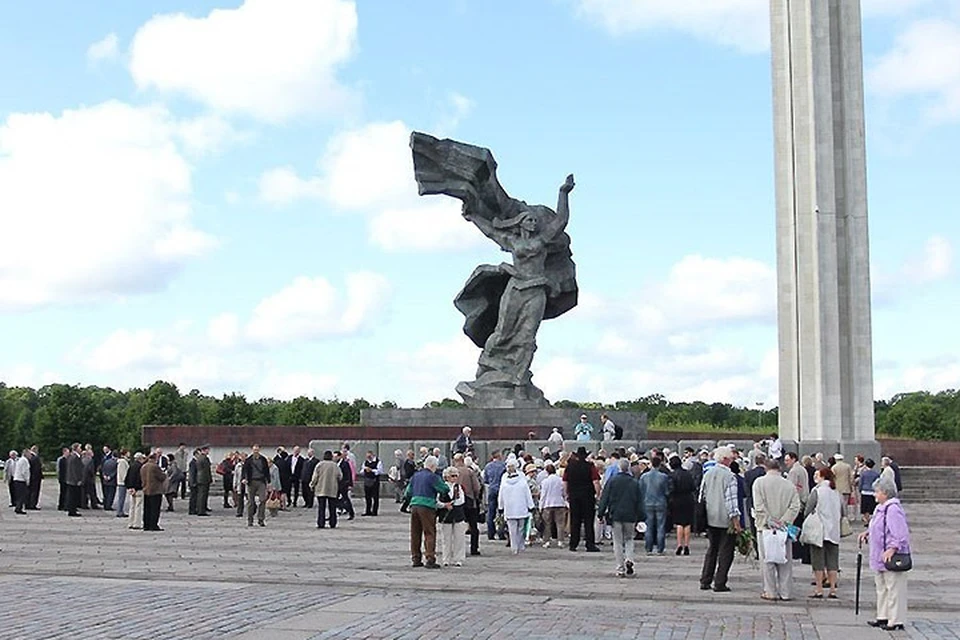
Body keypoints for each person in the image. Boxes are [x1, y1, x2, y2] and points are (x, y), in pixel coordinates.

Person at [859, 476, 911, 631]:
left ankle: (895, 619)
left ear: (885, 493)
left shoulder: (893, 509)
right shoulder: (880, 508)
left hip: (891, 556)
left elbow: (900, 533)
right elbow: (878, 526)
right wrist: (868, 532)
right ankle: (883, 616)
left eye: (877, 491)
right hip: (879, 555)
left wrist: (893, 548)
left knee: (894, 588)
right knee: (882, 588)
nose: (875, 494)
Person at [752, 457, 801, 601]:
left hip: (765, 527)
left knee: (767, 561)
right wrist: (784, 521)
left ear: (766, 468)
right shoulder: (789, 485)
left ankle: (770, 591)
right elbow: (795, 505)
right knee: (785, 559)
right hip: (784, 527)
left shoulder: (759, 483)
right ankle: (785, 592)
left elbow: (759, 506)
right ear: (779, 468)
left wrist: (770, 520)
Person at [699, 446, 742, 593]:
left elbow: (702, 496)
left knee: (712, 549)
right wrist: (736, 521)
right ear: (725, 459)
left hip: (710, 517)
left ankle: (705, 580)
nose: (732, 461)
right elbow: (731, 501)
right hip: (725, 519)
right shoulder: (730, 476)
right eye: (731, 458)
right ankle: (720, 582)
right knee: (726, 551)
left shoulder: (708, 474)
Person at [597, 458, 643, 577]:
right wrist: (641, 517)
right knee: (629, 539)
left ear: (619, 468)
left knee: (617, 542)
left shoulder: (612, 481)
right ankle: (629, 559)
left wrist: (600, 513)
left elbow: (605, 498)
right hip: (630, 515)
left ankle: (620, 567)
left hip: (615, 514)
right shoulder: (634, 482)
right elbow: (639, 501)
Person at [405, 456, 452, 568]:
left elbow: (408, 492)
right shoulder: (433, 477)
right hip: (427, 506)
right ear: (432, 466)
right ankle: (430, 558)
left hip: (414, 505)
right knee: (429, 532)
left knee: (415, 533)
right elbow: (444, 489)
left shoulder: (415, 476)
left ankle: (416, 558)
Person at [806, 467, 842, 599]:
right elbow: (843, 511)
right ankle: (833, 589)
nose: (816, 477)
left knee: (818, 561)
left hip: (819, 530)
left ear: (823, 476)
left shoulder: (817, 491)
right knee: (833, 561)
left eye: (818, 474)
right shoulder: (836, 492)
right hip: (834, 530)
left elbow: (808, 509)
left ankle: (819, 589)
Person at [563, 446, 601, 552]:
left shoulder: (570, 467)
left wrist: (566, 494)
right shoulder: (590, 466)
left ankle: (573, 544)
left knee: (575, 521)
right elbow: (595, 481)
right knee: (589, 521)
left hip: (574, 496)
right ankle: (590, 544)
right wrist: (598, 494)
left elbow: (565, 481)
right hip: (588, 496)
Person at [498, 460, 535, 554]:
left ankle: (514, 548)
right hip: (521, 508)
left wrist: (500, 507)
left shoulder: (504, 483)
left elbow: (501, 496)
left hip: (509, 509)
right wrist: (531, 506)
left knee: (512, 529)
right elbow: (528, 495)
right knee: (521, 528)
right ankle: (520, 545)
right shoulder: (522, 482)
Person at [639, 455, 671, 555]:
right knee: (660, 526)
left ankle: (648, 548)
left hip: (647, 503)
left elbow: (640, 491)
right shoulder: (664, 477)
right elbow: (667, 491)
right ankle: (660, 548)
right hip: (660, 502)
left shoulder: (644, 476)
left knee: (649, 526)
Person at [437, 466, 467, 566]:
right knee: (446, 538)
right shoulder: (442, 487)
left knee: (460, 537)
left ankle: (459, 558)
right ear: (447, 477)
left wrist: (452, 503)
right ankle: (446, 558)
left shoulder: (459, 487)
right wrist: (445, 505)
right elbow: (437, 501)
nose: (455, 478)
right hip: (445, 514)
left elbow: (462, 500)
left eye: (456, 476)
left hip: (458, 513)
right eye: (452, 476)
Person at [454, 453, 482, 556]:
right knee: (473, 526)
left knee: (457, 526)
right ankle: (474, 548)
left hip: (456, 503)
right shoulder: (469, 471)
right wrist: (476, 497)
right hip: (470, 501)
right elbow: (477, 487)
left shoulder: (452, 472)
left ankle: (458, 548)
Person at [668, 455, 696, 556]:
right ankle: (687, 545)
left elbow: (671, 489)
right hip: (688, 499)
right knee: (687, 523)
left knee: (679, 523)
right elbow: (693, 487)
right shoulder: (687, 474)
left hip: (677, 499)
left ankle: (679, 544)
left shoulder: (672, 475)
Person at [310, 450, 342, 529]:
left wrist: (312, 485)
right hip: (332, 489)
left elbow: (315, 477)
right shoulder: (335, 466)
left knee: (321, 507)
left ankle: (321, 523)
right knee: (332, 507)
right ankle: (333, 522)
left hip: (321, 489)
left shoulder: (319, 465)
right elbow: (340, 476)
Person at [538, 462, 567, 549]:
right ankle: (560, 541)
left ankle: (547, 541)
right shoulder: (560, 480)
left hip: (548, 503)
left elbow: (543, 495)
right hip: (559, 503)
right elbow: (563, 493)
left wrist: (541, 506)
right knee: (560, 523)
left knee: (547, 523)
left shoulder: (545, 482)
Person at [242, 444, 270, 527]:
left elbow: (266, 471)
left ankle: (261, 519)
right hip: (251, 482)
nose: (256, 451)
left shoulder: (263, 459)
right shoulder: (249, 460)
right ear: (252, 450)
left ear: (259, 450)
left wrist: (269, 482)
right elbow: (244, 470)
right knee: (251, 501)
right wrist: (244, 478)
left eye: (257, 450)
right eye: (254, 450)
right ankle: (250, 520)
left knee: (262, 500)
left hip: (261, 481)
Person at [483, 451, 506, 540]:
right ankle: (501, 532)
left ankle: (490, 533)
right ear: (499, 456)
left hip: (492, 489)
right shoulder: (503, 465)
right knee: (501, 512)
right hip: (501, 489)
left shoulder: (488, 466)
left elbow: (486, 480)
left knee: (491, 512)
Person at [141, 452, 167, 532]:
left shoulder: (143, 467)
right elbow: (161, 477)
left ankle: (146, 525)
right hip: (155, 490)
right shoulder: (155, 467)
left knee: (147, 508)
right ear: (155, 459)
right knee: (155, 509)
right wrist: (164, 474)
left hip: (146, 489)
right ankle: (153, 525)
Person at [65, 443, 85, 517]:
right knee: (73, 496)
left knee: (72, 496)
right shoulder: (75, 457)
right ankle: (72, 510)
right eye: (80, 448)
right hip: (74, 480)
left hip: (71, 479)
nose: (81, 449)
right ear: (76, 448)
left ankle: (72, 509)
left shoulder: (71, 456)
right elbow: (75, 470)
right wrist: (78, 480)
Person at [361, 450, 383, 516]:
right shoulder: (365, 462)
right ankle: (368, 510)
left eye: (369, 456)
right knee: (367, 497)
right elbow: (361, 471)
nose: (368, 458)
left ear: (372, 455)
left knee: (375, 497)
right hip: (367, 480)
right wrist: (365, 470)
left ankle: (374, 511)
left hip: (375, 481)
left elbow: (380, 471)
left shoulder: (378, 462)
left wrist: (372, 470)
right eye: (367, 456)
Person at [832, 453, 855, 518]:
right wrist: (851, 486)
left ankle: (839, 516)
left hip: (837, 488)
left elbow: (832, 478)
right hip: (846, 487)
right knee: (845, 503)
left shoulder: (834, 467)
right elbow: (851, 477)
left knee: (838, 503)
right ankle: (845, 517)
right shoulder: (848, 466)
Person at [858, 459, 880, 526]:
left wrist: (860, 489)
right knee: (872, 507)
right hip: (872, 492)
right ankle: (872, 520)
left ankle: (867, 520)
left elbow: (861, 482)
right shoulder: (876, 474)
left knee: (865, 508)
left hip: (864, 491)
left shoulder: (863, 473)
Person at [194, 445, 213, 516]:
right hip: (203, 478)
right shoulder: (204, 458)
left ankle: (200, 509)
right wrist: (209, 478)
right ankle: (201, 510)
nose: (208, 451)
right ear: (204, 450)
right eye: (208, 450)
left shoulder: (200, 458)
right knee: (202, 495)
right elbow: (206, 470)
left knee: (201, 495)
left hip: (201, 478)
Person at [11, 449, 29, 514]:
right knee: (22, 495)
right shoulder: (24, 460)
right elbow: (24, 472)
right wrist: (27, 480)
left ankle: (18, 507)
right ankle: (19, 508)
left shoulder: (20, 460)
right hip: (21, 480)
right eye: (29, 453)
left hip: (17, 479)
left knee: (19, 495)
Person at [100, 447, 117, 512]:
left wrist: (104, 476)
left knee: (106, 493)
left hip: (105, 479)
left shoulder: (106, 461)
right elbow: (115, 472)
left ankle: (105, 504)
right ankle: (108, 506)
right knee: (111, 493)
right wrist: (110, 477)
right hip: (112, 480)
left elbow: (103, 469)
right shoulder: (116, 463)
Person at [114, 449, 130, 517]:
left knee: (122, 497)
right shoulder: (122, 462)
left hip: (122, 482)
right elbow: (123, 473)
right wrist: (125, 481)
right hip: (122, 482)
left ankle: (120, 510)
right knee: (121, 497)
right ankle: (119, 511)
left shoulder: (124, 461)